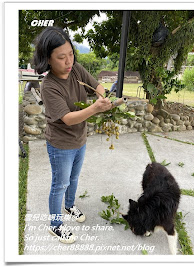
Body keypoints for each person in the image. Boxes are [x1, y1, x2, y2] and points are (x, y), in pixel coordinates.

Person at [33, 27, 112, 244]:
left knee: (74, 179)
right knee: (60, 184)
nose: (68, 61)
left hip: (80, 140)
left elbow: (98, 85)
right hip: (61, 145)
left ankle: (69, 206)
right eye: (61, 57)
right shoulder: (48, 86)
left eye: (71, 54)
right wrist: (96, 109)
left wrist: (102, 96)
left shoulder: (75, 68)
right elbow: (67, 118)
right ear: (48, 59)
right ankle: (56, 226)